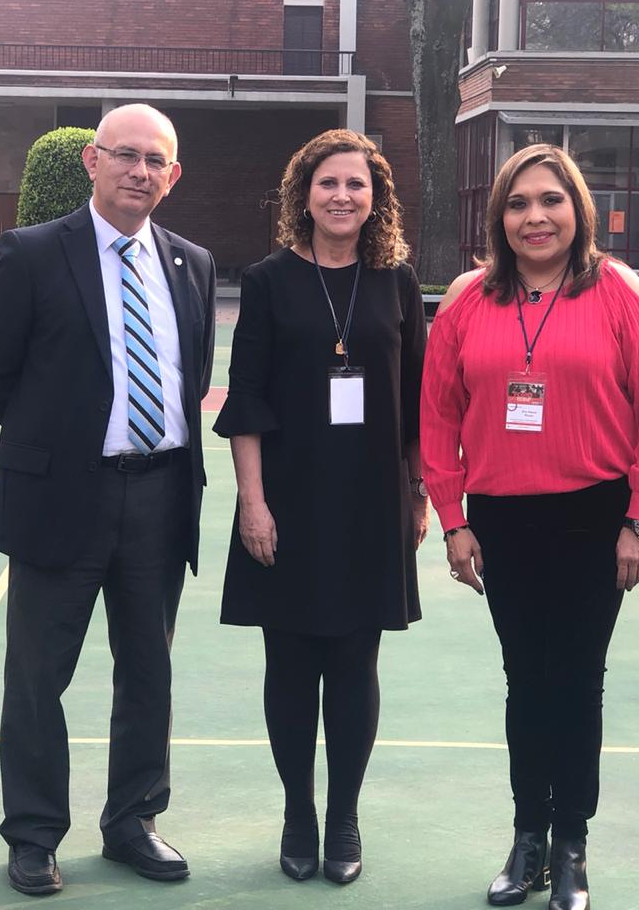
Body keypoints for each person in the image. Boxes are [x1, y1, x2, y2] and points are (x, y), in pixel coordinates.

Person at [419, 144, 639, 910]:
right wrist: (453, 521)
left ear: (578, 211)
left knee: (576, 682)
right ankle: (526, 837)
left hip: (593, 520)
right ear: (499, 216)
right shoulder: (469, 301)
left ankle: (572, 844)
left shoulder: (621, 295)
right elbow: (438, 418)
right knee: (524, 682)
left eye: (551, 200)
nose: (535, 217)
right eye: (518, 203)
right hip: (501, 522)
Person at [0, 104, 216, 897]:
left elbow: (192, 378)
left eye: (157, 162)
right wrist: (63, 440)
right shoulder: (34, 253)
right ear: (91, 160)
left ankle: (133, 820)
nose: (141, 171)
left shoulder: (192, 264)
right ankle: (35, 835)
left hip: (162, 496)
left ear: (172, 177)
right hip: (59, 499)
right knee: (39, 677)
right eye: (126, 155)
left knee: (149, 671)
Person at [213, 129, 428, 885]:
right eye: (329, 182)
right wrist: (254, 504)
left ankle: (344, 817)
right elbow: (247, 402)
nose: (343, 196)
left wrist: (419, 489)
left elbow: (417, 400)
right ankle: (298, 813)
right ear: (303, 193)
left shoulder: (396, 281)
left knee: (354, 661)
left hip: (371, 502)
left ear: (377, 199)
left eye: (358, 184)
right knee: (292, 663)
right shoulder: (269, 280)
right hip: (289, 500)